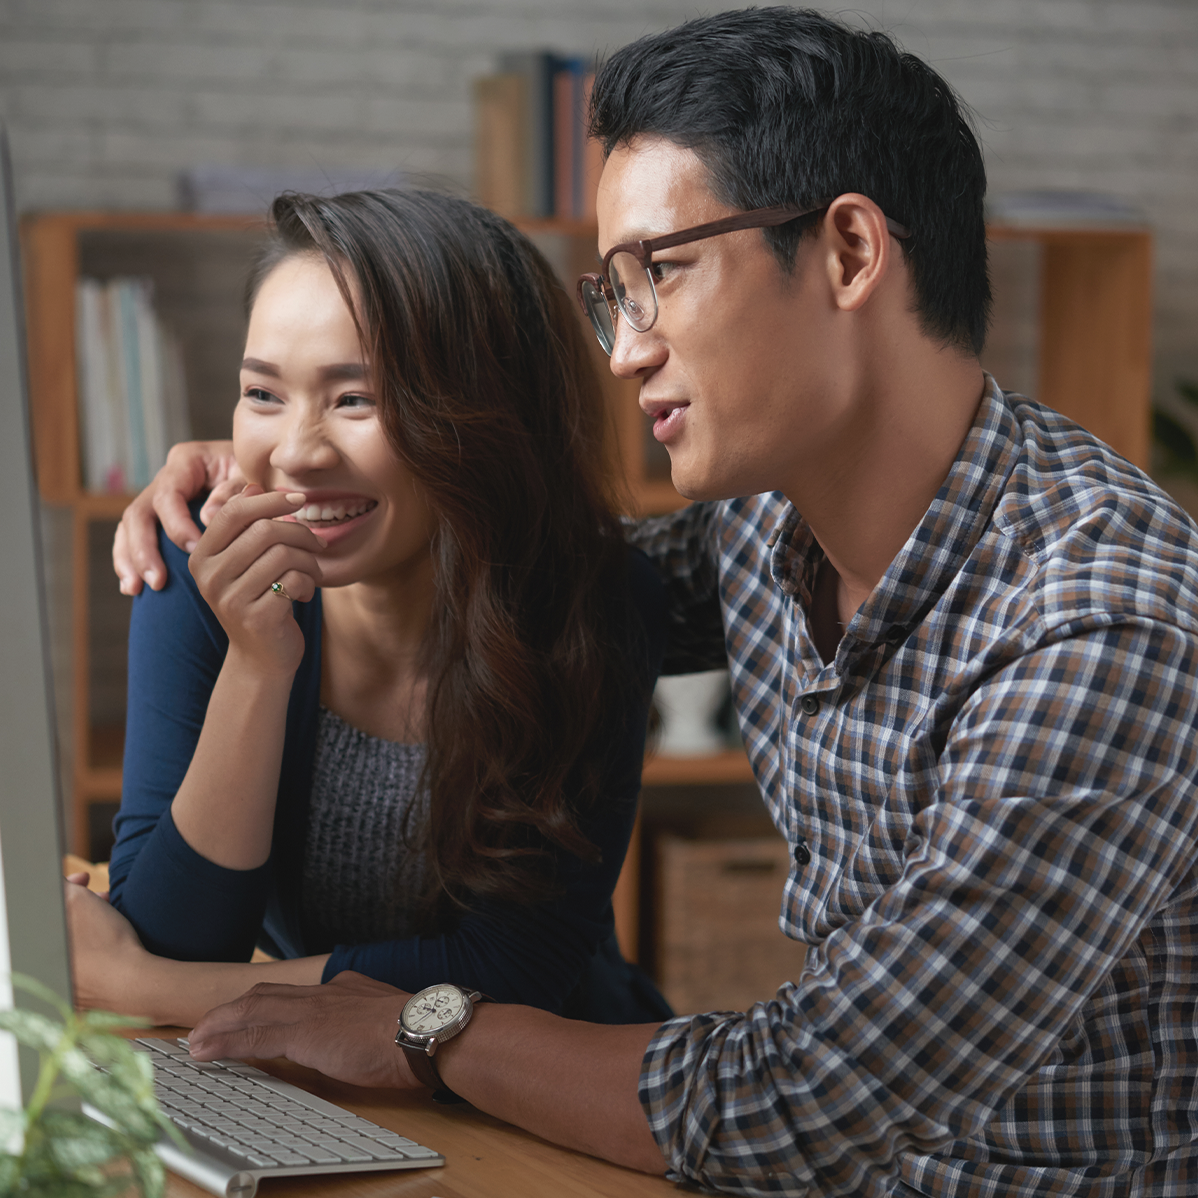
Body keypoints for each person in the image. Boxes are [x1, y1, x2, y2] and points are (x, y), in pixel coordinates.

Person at [112, 8, 1198, 1196]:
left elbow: (807, 1104)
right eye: (611, 293)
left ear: (846, 252)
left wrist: (423, 1025)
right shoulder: (759, 523)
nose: (625, 350)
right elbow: (528, 561)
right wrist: (273, 472)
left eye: (659, 275)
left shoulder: (1102, 623)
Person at [68, 187, 672, 1031]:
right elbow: (179, 936)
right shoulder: (204, 565)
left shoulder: (588, 607)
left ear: (487, 416)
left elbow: (507, 974)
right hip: (301, 1080)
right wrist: (257, 663)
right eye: (264, 395)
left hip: (532, 1097)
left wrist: (141, 989)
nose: (298, 454)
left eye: (357, 399)